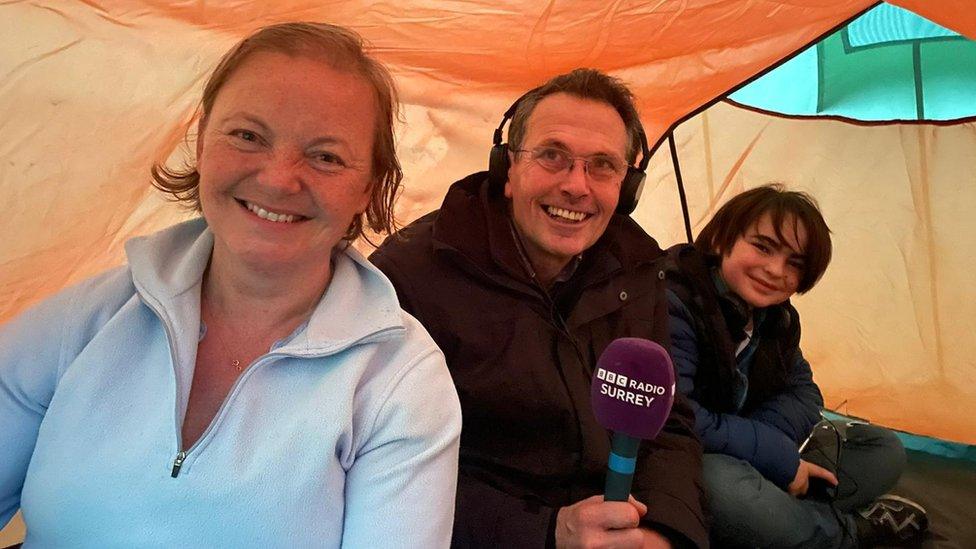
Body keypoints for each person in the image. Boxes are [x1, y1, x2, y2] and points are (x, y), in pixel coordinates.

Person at [0, 22, 461, 547]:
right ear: (201, 143)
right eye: (247, 136)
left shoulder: (400, 382)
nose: (277, 178)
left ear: (368, 188)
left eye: (326, 156)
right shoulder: (91, 316)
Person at [370, 68, 707, 548]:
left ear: (626, 188)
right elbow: (380, 464)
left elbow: (668, 422)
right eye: (552, 156)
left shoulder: (639, 271)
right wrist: (548, 533)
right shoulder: (410, 277)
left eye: (603, 166)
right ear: (507, 169)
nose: (576, 185)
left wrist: (665, 531)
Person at [665, 184, 929, 548]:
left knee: (882, 448)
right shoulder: (673, 302)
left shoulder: (777, 318)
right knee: (721, 488)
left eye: (795, 263)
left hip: (751, 452)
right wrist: (774, 456)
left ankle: (776, 520)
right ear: (725, 237)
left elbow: (805, 392)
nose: (775, 270)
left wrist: (769, 451)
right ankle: (846, 532)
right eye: (763, 246)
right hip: (692, 458)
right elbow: (678, 416)